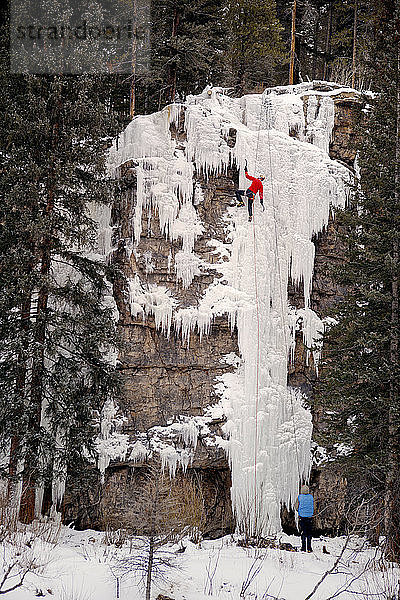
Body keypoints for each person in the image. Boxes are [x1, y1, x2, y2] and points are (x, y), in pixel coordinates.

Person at [295, 484, 314, 552]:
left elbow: (296, 507)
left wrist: (300, 511)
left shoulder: (300, 497)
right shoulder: (311, 497)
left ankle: (303, 548)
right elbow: (313, 506)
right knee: (309, 533)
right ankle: (309, 548)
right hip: (310, 517)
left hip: (302, 517)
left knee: (303, 532)